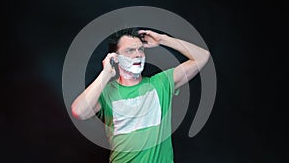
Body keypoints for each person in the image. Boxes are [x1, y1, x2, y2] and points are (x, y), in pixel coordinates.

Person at [71, 28, 210, 163]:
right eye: (130, 50)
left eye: (140, 49)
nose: (138, 54)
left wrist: (162, 39)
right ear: (116, 58)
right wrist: (105, 73)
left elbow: (202, 56)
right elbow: (79, 112)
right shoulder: (106, 92)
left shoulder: (161, 83)